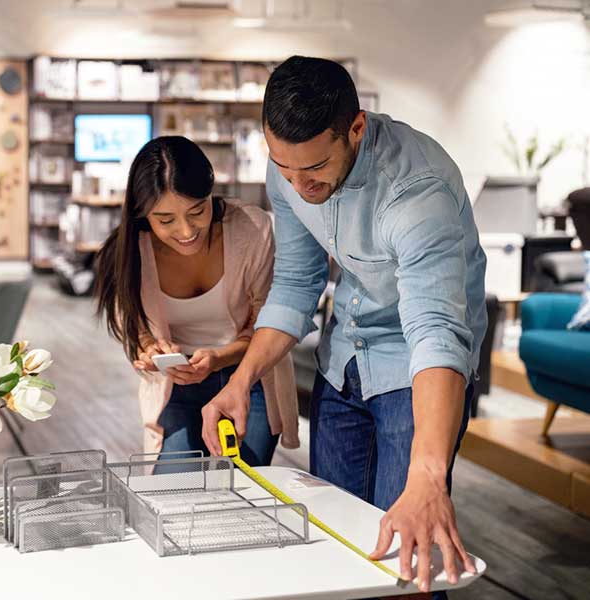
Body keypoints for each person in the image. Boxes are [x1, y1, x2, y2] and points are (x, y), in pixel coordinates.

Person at [200, 56, 487, 597]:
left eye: (313, 170)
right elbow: (294, 285)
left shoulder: (416, 192)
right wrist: (239, 382)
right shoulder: (288, 166)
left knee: (407, 552)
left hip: (416, 368)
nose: (297, 185)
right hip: (344, 359)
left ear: (356, 127)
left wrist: (428, 476)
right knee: (333, 543)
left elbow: (437, 334)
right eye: (284, 170)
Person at [94, 136, 299, 468]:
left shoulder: (251, 229)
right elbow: (130, 323)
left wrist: (220, 358)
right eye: (166, 220)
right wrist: (149, 349)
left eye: (197, 211)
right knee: (175, 494)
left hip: (249, 379)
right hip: (175, 386)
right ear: (143, 213)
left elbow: (268, 322)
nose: (187, 230)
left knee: (240, 488)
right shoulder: (130, 250)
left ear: (210, 192)